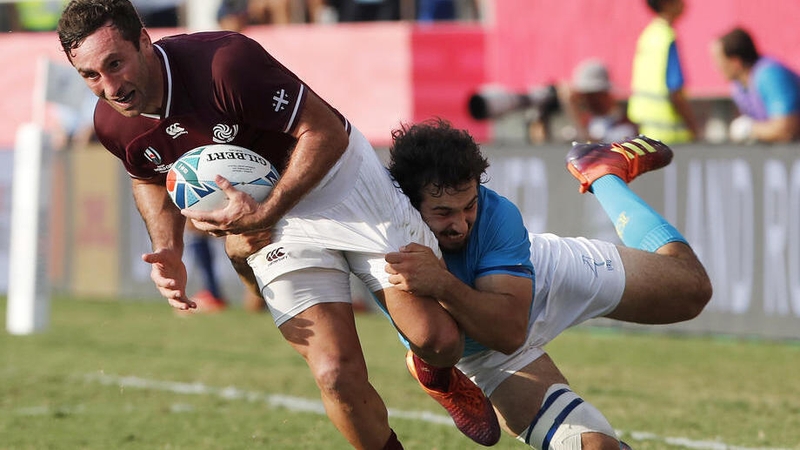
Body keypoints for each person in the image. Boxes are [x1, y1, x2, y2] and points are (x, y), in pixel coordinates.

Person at [56, 1, 498, 448]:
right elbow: (147, 176)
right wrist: (168, 247)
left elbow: (325, 133)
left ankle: (436, 375)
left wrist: (264, 212)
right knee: (334, 373)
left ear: (144, 41)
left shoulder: (224, 65)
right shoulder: (111, 124)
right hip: (271, 224)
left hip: (339, 179)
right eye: (90, 75)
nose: (110, 87)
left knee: (438, 340)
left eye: (115, 64)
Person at [384, 119, 712, 449]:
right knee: (595, 447)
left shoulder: (497, 213)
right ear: (409, 204)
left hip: (535, 281)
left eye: (469, 206)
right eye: (443, 213)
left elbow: (509, 331)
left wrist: (442, 283)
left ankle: (601, 172)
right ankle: (432, 365)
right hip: (483, 349)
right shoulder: (382, 234)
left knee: (692, 289)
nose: (460, 225)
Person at [710, 27, 800, 143]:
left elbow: (785, 129)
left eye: (719, 60)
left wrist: (750, 129)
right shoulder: (738, 87)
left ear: (735, 62)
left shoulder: (770, 75)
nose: (716, 67)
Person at [627, 0, 698, 144]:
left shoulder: (648, 35)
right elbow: (675, 91)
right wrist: (693, 127)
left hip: (642, 130)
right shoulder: (667, 37)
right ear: (666, 4)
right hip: (668, 136)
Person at [561, 59, 638, 143]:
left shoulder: (624, 127)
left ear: (606, 95)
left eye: (592, 95)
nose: (586, 101)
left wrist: (573, 112)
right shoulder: (589, 121)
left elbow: (597, 146)